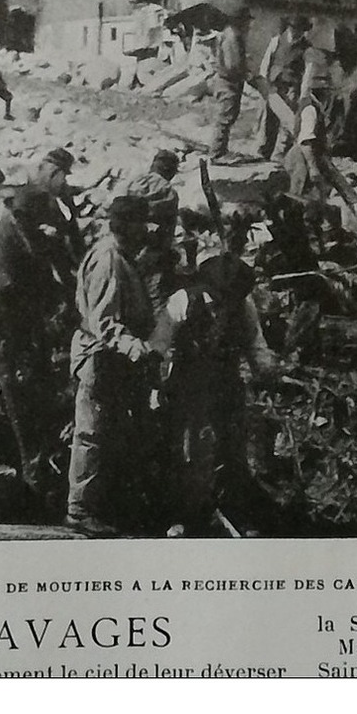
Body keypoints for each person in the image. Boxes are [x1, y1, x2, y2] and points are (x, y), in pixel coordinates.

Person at [151, 213, 276, 536]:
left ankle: (234, 509)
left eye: (230, 301)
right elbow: (159, 347)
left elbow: (255, 342)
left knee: (232, 446)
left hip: (225, 381)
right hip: (188, 383)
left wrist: (268, 373)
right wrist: (157, 386)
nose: (224, 308)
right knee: (189, 450)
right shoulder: (182, 302)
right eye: (220, 300)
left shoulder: (242, 305)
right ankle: (185, 514)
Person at [66, 193, 159, 536]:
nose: (145, 230)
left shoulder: (121, 255)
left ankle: (105, 505)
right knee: (92, 434)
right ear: (127, 225)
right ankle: (79, 510)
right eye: (140, 223)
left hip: (112, 358)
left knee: (112, 432)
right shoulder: (108, 259)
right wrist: (137, 349)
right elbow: (103, 322)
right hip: (100, 357)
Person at [0, 184, 70, 489]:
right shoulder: (1, 241)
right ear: (21, 214)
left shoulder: (25, 234)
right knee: (13, 396)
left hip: (27, 329)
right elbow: (7, 293)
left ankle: (40, 457)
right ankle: (22, 462)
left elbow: (45, 274)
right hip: (5, 332)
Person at [124, 149, 182, 314]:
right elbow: (165, 228)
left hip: (127, 245)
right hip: (152, 252)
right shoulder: (169, 191)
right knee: (153, 298)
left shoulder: (135, 181)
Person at [256, 14, 310, 160]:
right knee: (269, 119)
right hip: (273, 85)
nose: (295, 31)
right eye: (293, 28)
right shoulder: (276, 41)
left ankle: (281, 152)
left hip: (292, 86)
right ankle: (264, 151)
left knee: (287, 119)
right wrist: (264, 83)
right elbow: (265, 63)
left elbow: (307, 73)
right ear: (289, 27)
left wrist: (304, 94)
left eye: (299, 29)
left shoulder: (306, 48)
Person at [209, 7, 251, 162]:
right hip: (228, 82)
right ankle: (217, 153)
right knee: (225, 116)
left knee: (227, 116)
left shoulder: (228, 34)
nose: (249, 25)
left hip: (227, 81)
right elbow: (232, 64)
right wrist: (245, 72)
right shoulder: (232, 37)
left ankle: (220, 150)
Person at [280, 82, 333, 204]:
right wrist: (312, 167)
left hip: (310, 155)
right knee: (299, 196)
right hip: (302, 157)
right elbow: (306, 140)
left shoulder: (315, 106)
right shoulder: (310, 109)